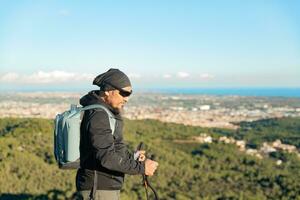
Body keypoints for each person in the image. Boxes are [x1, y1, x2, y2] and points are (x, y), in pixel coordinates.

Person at [76, 68, 158, 200]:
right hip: (97, 190)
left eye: (129, 94)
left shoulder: (106, 113)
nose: (126, 99)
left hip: (103, 188)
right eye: (124, 93)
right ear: (108, 91)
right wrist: (141, 168)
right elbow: (106, 157)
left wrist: (133, 159)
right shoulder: (99, 115)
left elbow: (115, 148)